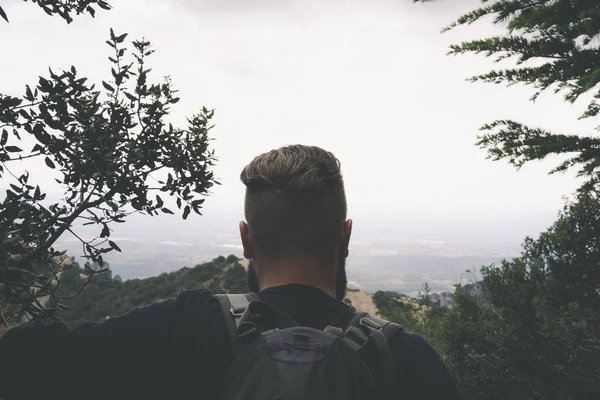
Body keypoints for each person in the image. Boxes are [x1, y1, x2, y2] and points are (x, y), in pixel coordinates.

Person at [0, 145, 462, 400]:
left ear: (246, 239)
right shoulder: (409, 359)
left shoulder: (184, 327)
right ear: (345, 237)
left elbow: (19, 358)